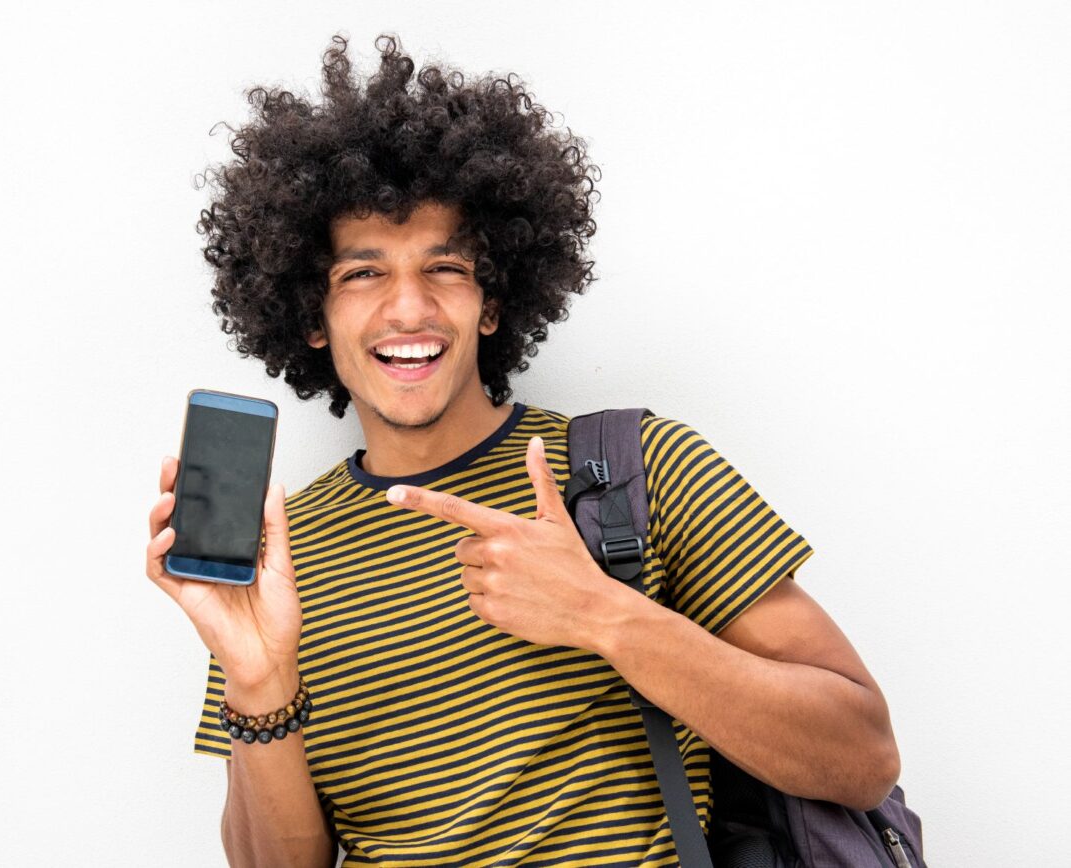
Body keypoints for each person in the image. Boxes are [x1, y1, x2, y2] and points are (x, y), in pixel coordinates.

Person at [145, 33, 900, 867]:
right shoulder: (278, 558)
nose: (408, 309)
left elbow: (862, 757)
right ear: (311, 317)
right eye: (362, 274)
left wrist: (603, 616)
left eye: (445, 267)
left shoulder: (636, 468)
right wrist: (260, 685)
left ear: (494, 302)